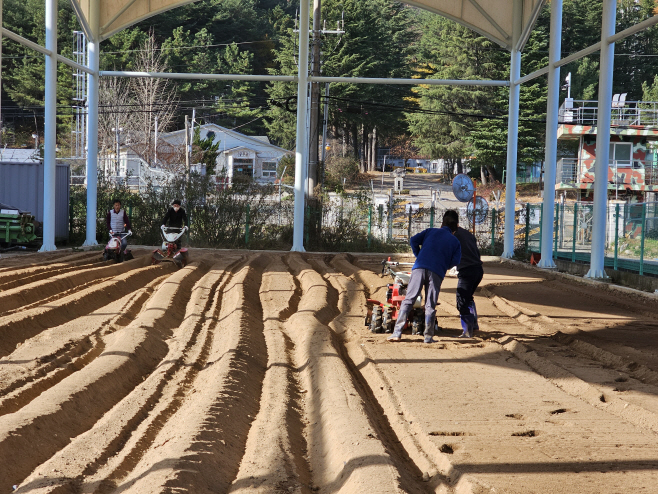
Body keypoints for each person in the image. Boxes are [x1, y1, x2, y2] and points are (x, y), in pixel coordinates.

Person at [387, 210, 461, 344]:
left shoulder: (430, 231)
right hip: (437, 272)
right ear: (456, 226)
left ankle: (397, 333)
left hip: (419, 267)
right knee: (430, 304)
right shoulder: (455, 241)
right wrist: (443, 265)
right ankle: (428, 337)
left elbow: (413, 240)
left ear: (442, 223)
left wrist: (419, 255)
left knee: (409, 298)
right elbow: (456, 261)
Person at [454, 220, 484, 338]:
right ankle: (474, 325)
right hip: (478, 270)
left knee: (462, 300)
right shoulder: (468, 234)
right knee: (468, 298)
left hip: (467, 271)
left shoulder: (454, 236)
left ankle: (467, 331)